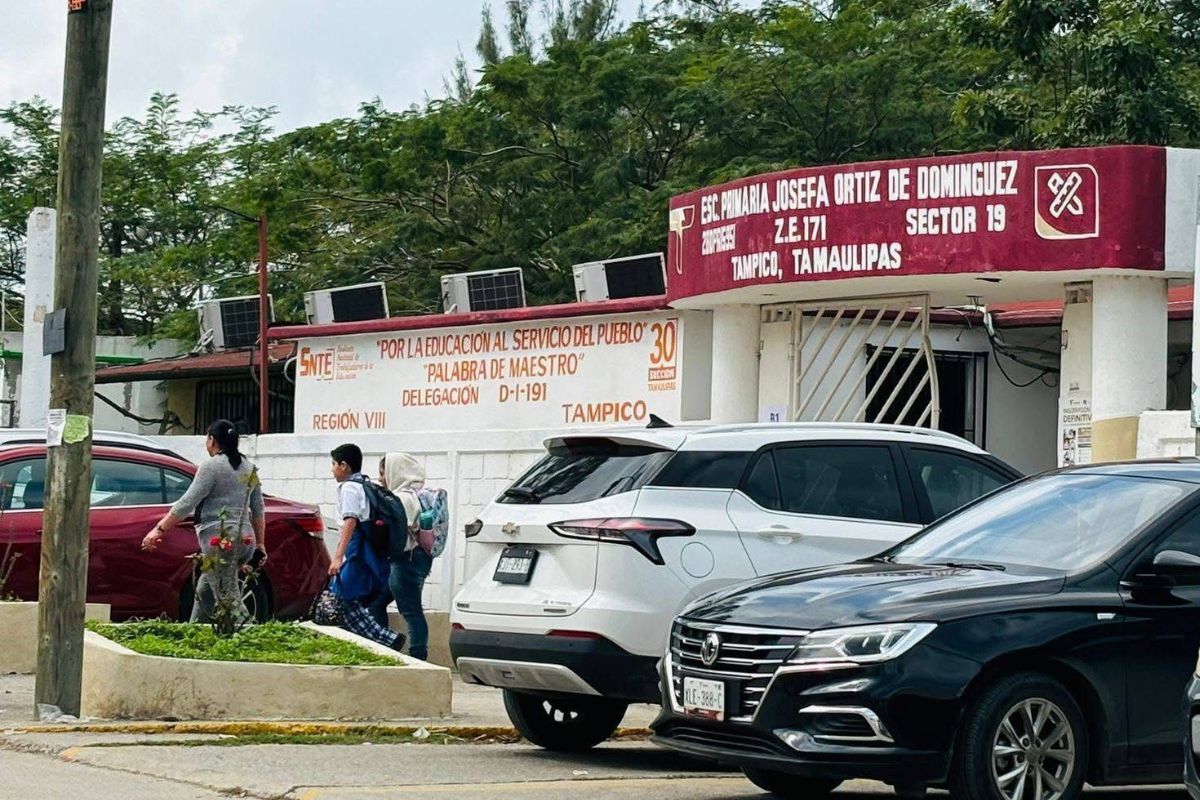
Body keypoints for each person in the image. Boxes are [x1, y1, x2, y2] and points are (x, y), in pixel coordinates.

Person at [141, 420, 265, 623]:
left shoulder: (211, 466)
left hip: (221, 541)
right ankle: (195, 632)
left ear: (212, 439)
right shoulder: (249, 468)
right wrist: (260, 544)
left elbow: (187, 502)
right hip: (246, 541)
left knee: (228, 597)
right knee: (206, 590)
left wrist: (159, 529)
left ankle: (253, 639)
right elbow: (259, 510)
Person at [329, 443, 404, 651]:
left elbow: (350, 522)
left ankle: (386, 639)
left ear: (344, 465)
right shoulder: (365, 484)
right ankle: (376, 641)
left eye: (334, 464)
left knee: (340, 597)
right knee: (349, 600)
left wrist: (337, 557)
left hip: (358, 551)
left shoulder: (349, 488)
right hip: (368, 551)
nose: (333, 469)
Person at [380, 453, 434, 662]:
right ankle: (383, 643)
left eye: (384, 474)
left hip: (406, 559)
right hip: (413, 559)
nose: (381, 479)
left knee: (411, 611)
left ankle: (418, 658)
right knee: (378, 602)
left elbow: (399, 532)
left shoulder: (403, 498)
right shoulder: (411, 495)